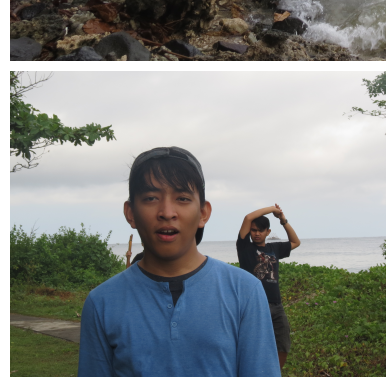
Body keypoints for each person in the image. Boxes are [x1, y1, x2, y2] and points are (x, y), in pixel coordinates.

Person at [78, 147, 281, 377]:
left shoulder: (244, 292)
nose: (167, 212)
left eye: (183, 198)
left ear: (203, 213)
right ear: (130, 212)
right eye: (151, 198)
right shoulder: (102, 303)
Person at [237, 204, 301, 370]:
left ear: (268, 232)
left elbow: (296, 241)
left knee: (283, 342)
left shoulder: (274, 248)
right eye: (253, 230)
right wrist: (272, 209)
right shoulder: (245, 248)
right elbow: (248, 218)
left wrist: (283, 220)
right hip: (254, 305)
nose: (256, 233)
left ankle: (273, 374)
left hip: (276, 304)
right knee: (252, 344)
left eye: (260, 230)